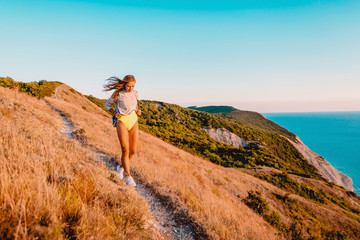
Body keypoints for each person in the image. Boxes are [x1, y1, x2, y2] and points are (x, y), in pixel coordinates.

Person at [104, 75, 141, 186]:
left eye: (133, 86)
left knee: (133, 151)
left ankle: (120, 166)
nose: (130, 88)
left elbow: (133, 106)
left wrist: (138, 111)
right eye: (128, 86)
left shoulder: (135, 93)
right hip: (122, 121)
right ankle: (128, 176)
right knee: (125, 149)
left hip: (133, 120)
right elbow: (107, 105)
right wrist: (114, 113)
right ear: (124, 84)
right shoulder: (118, 94)